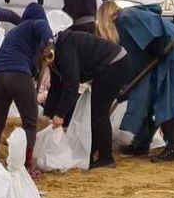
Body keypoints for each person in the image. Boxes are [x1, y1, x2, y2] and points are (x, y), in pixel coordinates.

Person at [97, 0, 174, 163]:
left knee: (166, 98)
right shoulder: (124, 22)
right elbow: (136, 58)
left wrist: (157, 47)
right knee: (149, 97)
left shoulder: (126, 17)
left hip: (172, 53)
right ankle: (142, 142)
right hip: (161, 56)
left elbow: (153, 34)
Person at [0, 2, 51, 178]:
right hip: (18, 74)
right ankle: (25, 166)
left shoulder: (15, 31)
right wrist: (49, 42)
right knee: (30, 122)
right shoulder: (34, 24)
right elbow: (41, 25)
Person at [46, 30, 129, 170]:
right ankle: (94, 151)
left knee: (98, 110)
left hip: (116, 63)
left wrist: (60, 115)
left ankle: (106, 157)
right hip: (112, 63)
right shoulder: (55, 56)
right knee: (96, 110)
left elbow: (72, 85)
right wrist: (47, 115)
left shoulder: (65, 51)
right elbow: (55, 88)